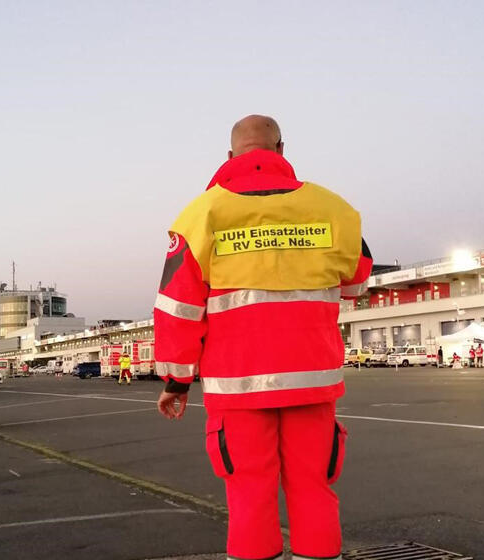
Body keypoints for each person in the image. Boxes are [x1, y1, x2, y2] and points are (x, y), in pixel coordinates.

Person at [154, 115, 372, 560]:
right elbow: (357, 282)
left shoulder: (202, 214)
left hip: (237, 386)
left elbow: (177, 309)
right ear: (281, 149)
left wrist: (176, 381)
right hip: (312, 381)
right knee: (313, 488)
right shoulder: (334, 209)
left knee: (250, 494)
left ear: (231, 157)